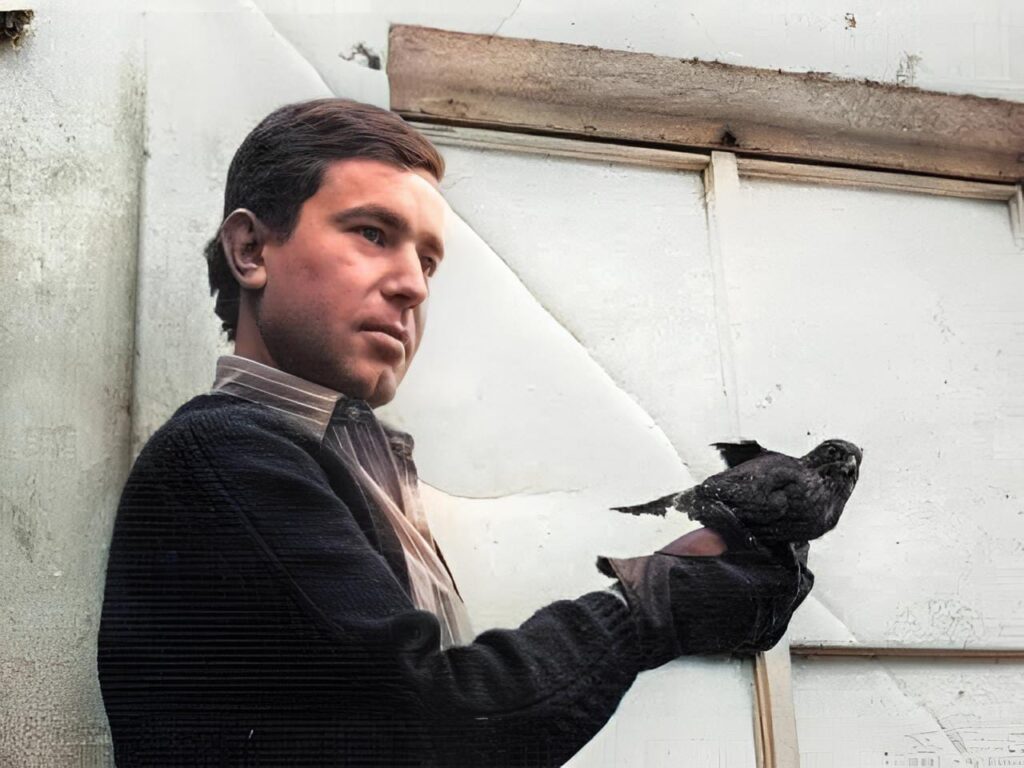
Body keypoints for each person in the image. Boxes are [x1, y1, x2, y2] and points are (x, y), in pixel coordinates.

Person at [96, 98, 813, 767]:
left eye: (428, 261)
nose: (412, 285)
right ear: (252, 250)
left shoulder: (348, 464)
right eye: (372, 233)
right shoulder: (227, 456)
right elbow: (442, 722)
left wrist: (677, 576)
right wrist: (651, 605)